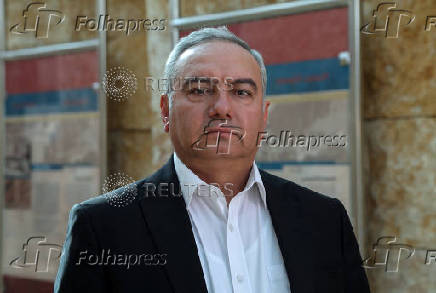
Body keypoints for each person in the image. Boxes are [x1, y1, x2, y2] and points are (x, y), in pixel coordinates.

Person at [55, 27, 370, 293]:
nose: (221, 108)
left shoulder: (324, 221)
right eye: (199, 90)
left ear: (263, 115)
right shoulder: (103, 226)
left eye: (241, 92)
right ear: (165, 111)